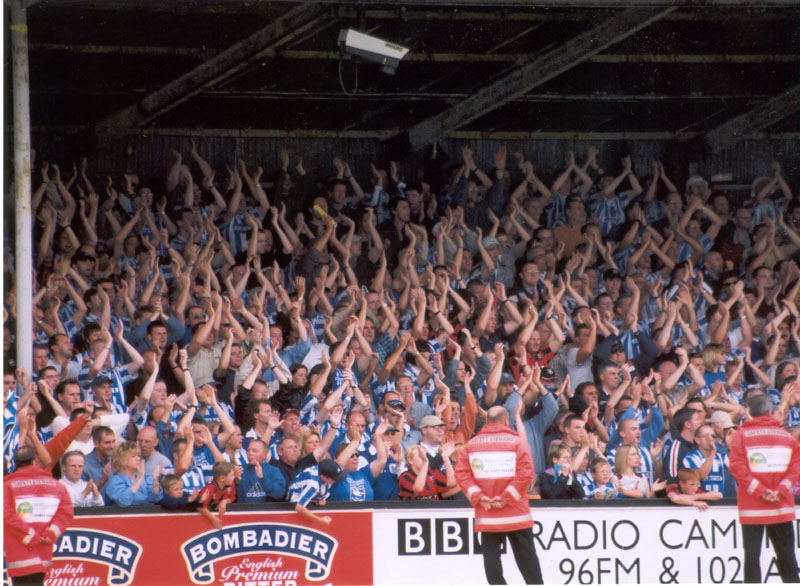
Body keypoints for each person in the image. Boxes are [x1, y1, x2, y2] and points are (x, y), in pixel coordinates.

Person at [454, 406, 542, 585]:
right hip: (516, 513)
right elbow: (526, 473)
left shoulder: (470, 445)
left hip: (487, 515)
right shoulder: (517, 442)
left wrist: (479, 497)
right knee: (528, 562)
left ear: (487, 421)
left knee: (492, 562)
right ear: (506, 420)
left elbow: (461, 475)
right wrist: (505, 498)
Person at [729, 394, 800, 583]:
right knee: (786, 554)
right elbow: (796, 468)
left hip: (752, 507)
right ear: (769, 411)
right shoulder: (787, 437)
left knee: (752, 556)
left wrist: (761, 492)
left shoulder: (741, 435)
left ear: (748, 412)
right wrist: (780, 491)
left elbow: (737, 467)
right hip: (781, 505)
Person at [4, 445, 74, 586]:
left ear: (16, 463)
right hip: (43, 549)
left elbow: (6, 515)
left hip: (19, 551)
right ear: (34, 461)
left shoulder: (7, 486)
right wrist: (50, 535)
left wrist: (30, 535)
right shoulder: (57, 485)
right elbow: (66, 513)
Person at [288, 459, 346, 527]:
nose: (335, 481)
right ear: (323, 477)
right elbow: (298, 507)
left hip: (312, 496)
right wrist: (320, 520)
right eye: (333, 478)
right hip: (294, 499)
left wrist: (319, 500)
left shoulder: (325, 470)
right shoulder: (313, 484)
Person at [104, 441, 163, 507]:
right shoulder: (115, 480)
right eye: (133, 456)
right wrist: (139, 479)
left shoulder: (146, 477)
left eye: (138, 456)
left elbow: (155, 499)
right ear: (122, 460)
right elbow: (124, 502)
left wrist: (155, 481)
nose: (138, 459)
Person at [197, 461, 237, 529]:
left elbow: (233, 497)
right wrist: (213, 519)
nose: (234, 477)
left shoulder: (230, 484)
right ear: (222, 478)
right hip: (200, 518)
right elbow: (199, 507)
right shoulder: (210, 488)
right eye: (231, 475)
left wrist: (224, 501)